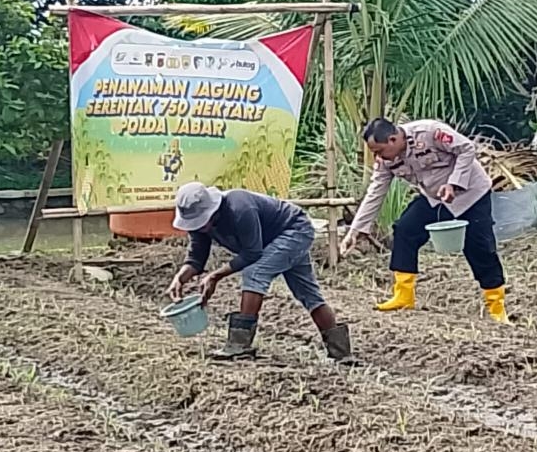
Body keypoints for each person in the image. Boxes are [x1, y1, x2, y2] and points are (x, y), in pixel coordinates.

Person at [340, 118, 509, 323]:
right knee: (405, 229)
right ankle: (403, 295)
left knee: (479, 247)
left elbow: (466, 148)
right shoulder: (386, 159)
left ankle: (496, 307)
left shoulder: (430, 132)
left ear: (393, 139)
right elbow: (375, 191)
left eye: (379, 151)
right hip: (435, 198)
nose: (378, 157)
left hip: (471, 194)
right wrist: (356, 231)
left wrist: (453, 184)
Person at [166, 182, 353, 362]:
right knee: (307, 293)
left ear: (212, 210)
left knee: (254, 273)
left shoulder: (239, 207)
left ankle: (239, 345)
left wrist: (215, 276)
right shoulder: (199, 226)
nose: (198, 228)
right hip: (276, 240)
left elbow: (252, 253)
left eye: (200, 222)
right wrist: (181, 277)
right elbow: (196, 258)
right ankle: (340, 351)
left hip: (295, 230)